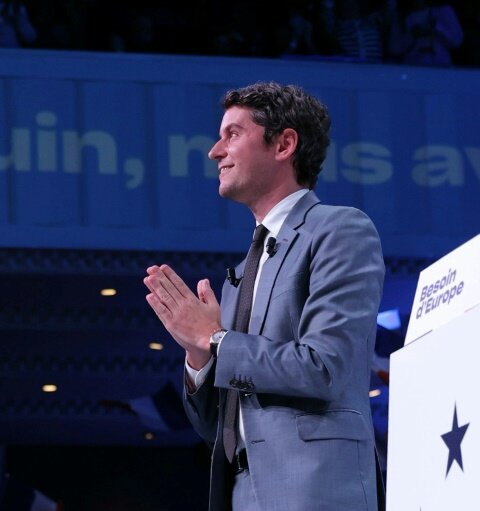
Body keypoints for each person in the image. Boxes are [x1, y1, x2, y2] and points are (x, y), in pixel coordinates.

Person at [143, 82, 385, 511]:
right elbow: (214, 426)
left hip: (316, 492)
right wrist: (199, 361)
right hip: (241, 496)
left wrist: (215, 341)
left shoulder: (339, 230)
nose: (216, 151)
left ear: (284, 144)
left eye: (232, 134)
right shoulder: (240, 275)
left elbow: (324, 368)